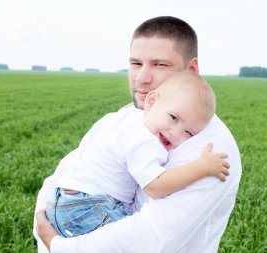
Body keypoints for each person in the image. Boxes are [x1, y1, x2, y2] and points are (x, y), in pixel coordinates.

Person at [35, 16, 242, 253]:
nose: (142, 78)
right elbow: (62, 178)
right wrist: (46, 228)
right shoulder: (124, 118)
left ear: (192, 70)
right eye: (135, 63)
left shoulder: (210, 148)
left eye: (159, 64)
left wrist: (57, 244)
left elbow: (148, 239)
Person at [45, 71, 229, 238]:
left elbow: (130, 108)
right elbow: (155, 186)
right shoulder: (144, 140)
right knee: (138, 240)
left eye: (189, 133)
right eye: (173, 118)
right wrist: (202, 167)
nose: (176, 132)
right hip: (88, 205)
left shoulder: (130, 116)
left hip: (63, 200)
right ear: (151, 102)